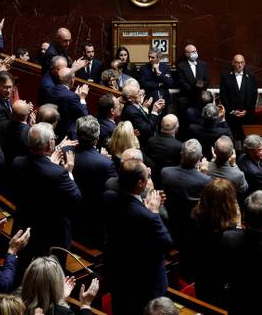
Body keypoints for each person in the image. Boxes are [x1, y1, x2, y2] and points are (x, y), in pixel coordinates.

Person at [105, 159, 174, 315]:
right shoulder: (148, 217)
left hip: (119, 273)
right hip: (144, 281)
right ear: (141, 184)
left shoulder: (108, 197)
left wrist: (144, 206)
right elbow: (167, 243)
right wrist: (154, 211)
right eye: (147, 176)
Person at [10, 123, 81, 263]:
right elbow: (77, 197)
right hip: (51, 236)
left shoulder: (17, 162)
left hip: (24, 228)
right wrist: (69, 172)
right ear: (49, 144)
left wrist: (52, 166)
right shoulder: (58, 173)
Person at [189, 178, 240, 308]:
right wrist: (238, 225)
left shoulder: (195, 215)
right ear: (229, 202)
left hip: (202, 273)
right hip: (222, 279)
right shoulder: (230, 230)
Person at [71, 116, 116, 245]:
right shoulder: (106, 163)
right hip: (95, 213)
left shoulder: (65, 152)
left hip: (72, 210)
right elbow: (113, 189)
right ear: (97, 137)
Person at [161, 139, 212, 245]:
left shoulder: (165, 172)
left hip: (173, 222)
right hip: (195, 225)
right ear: (200, 157)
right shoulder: (205, 180)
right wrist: (204, 173)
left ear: (181, 155)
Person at [20, 256, 100, 314]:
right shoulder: (64, 313)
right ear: (56, 285)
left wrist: (60, 299)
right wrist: (85, 305)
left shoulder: (14, 303)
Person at [218, 54, 258, 134]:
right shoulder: (225, 76)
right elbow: (223, 95)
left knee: (247, 138)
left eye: (241, 62)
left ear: (244, 63)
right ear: (233, 63)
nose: (239, 65)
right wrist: (232, 111)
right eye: (237, 62)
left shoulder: (251, 76)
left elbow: (254, 95)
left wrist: (247, 110)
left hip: (247, 116)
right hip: (231, 116)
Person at [204, 136, 247, 200]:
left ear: (214, 151)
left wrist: (212, 160)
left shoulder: (204, 168)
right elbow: (244, 189)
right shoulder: (238, 175)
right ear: (232, 154)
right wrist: (234, 165)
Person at [144, 114, 182, 185]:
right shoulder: (179, 146)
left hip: (154, 180)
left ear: (161, 125)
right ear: (176, 129)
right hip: (171, 181)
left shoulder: (151, 141)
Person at [176, 43, 209, 115]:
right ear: (186, 54)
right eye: (192, 52)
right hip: (188, 96)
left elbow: (207, 80)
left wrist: (202, 86)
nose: (195, 53)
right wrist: (193, 89)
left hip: (201, 96)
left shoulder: (203, 64)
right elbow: (182, 82)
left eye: (195, 51)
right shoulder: (181, 66)